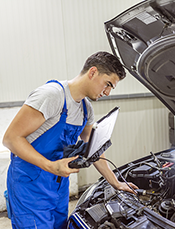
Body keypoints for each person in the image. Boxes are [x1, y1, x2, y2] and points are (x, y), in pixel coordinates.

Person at [2, 51, 138, 229]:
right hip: (31, 185)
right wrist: (50, 166)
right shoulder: (52, 96)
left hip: (58, 186)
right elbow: (11, 139)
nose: (107, 92)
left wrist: (115, 182)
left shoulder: (85, 108)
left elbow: (94, 148)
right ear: (92, 72)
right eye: (107, 84)